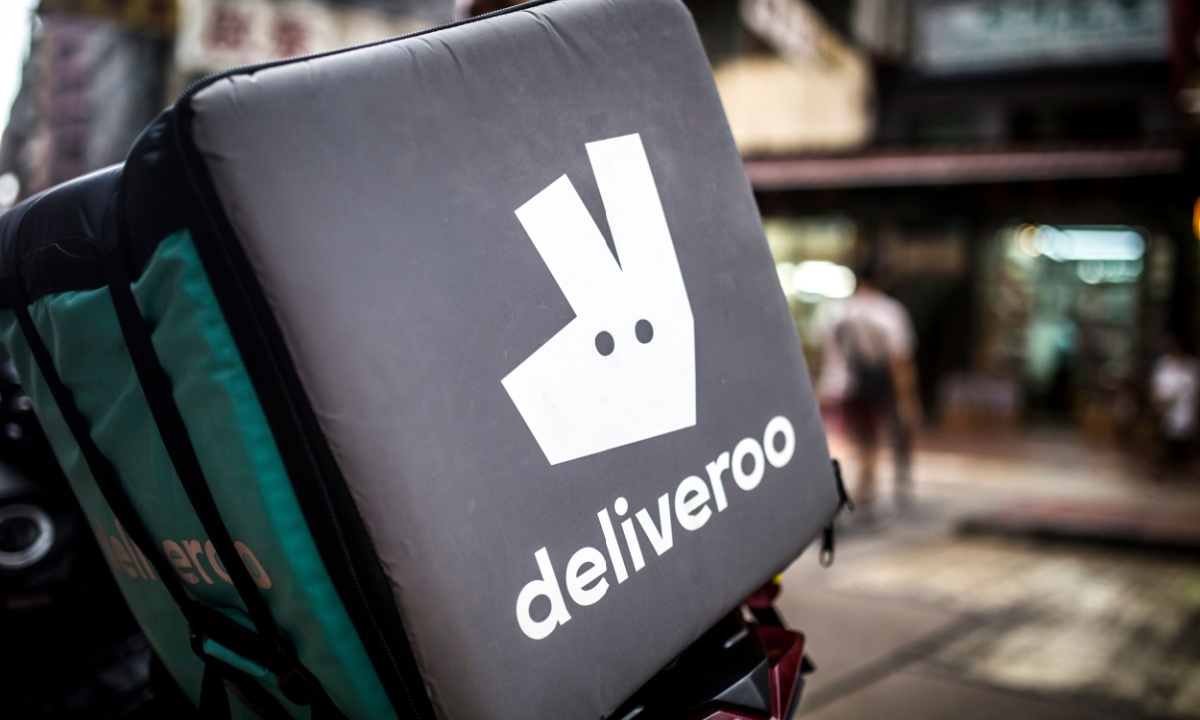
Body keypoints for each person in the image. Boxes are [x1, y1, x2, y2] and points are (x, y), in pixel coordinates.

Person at [815, 259, 920, 517]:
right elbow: (899, 361)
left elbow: (818, 350)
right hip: (870, 389)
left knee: (837, 439)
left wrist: (816, 385)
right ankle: (864, 495)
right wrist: (907, 399)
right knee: (869, 442)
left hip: (834, 385)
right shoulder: (889, 312)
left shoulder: (834, 311)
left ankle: (831, 493)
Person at [1150, 335, 1199, 476]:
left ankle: (1181, 466)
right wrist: (1159, 402)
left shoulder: (1191, 366)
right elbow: (1157, 386)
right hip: (1165, 408)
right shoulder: (1163, 364)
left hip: (1185, 409)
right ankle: (1165, 465)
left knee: (1183, 439)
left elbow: (1193, 390)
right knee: (1166, 437)